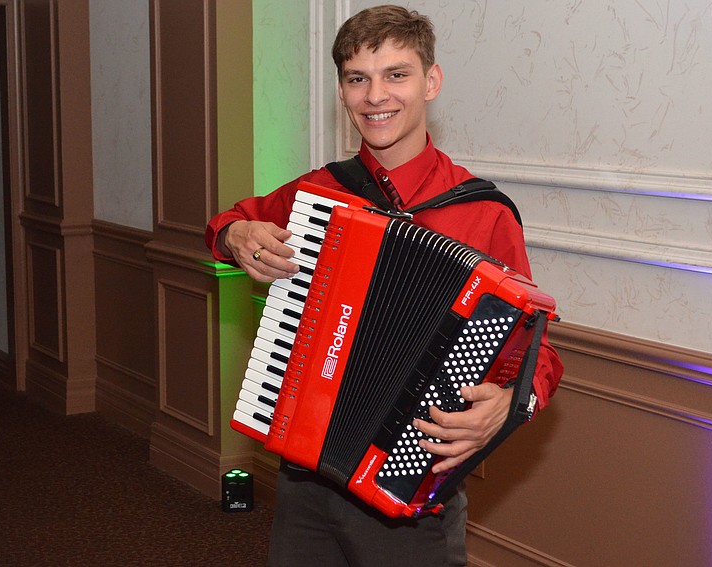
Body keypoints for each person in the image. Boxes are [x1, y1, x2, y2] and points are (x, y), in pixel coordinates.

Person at [205, 5, 563, 566]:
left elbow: (536, 351)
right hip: (304, 482)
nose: (376, 96)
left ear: (431, 81)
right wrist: (237, 234)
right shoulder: (319, 192)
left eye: (396, 74)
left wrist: (511, 406)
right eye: (357, 79)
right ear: (343, 92)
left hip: (406, 490)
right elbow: (226, 223)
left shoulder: (484, 213)